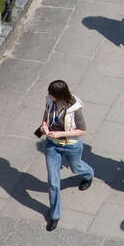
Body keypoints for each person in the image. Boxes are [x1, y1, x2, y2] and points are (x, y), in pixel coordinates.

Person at [38, 79, 94, 232]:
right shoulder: (50, 101)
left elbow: (82, 130)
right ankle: (55, 214)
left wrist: (62, 133)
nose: (49, 95)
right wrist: (44, 126)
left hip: (71, 145)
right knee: (53, 181)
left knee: (76, 168)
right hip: (52, 145)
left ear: (60, 95)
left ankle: (89, 174)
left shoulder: (74, 108)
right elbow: (45, 116)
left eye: (52, 93)